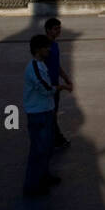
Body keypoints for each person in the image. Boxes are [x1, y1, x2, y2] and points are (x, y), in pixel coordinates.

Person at [23, 34, 71, 197]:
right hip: (37, 113)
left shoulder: (41, 65)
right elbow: (45, 88)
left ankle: (44, 176)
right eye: (45, 48)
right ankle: (31, 186)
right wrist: (62, 87)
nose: (48, 50)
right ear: (37, 50)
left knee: (47, 147)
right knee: (38, 150)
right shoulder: (34, 67)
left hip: (46, 110)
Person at [44, 18, 72, 150]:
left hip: (55, 82)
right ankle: (56, 139)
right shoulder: (45, 47)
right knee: (50, 114)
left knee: (53, 113)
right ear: (48, 30)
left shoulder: (55, 45)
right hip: (48, 85)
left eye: (59, 28)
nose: (59, 31)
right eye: (56, 29)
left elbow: (56, 65)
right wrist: (64, 86)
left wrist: (65, 78)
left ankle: (55, 138)